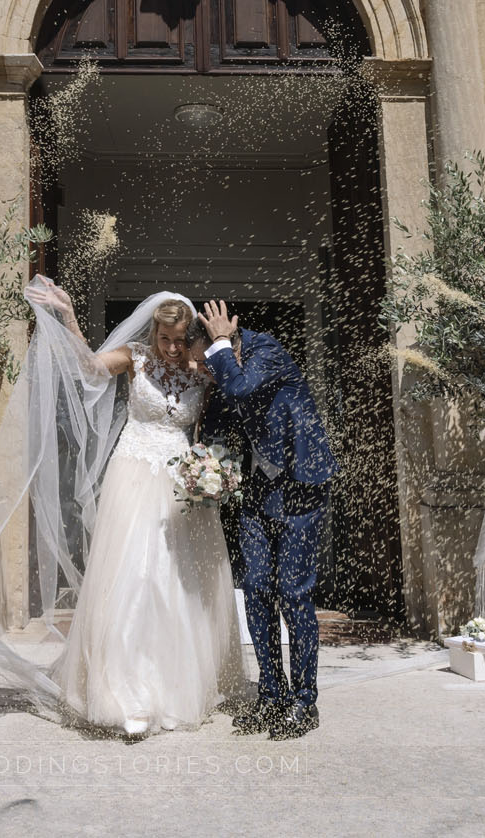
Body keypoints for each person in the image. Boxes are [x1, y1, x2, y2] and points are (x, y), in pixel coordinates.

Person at [24, 287, 240, 737]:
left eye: (181, 339)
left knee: (178, 584)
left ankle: (176, 689)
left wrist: (225, 345)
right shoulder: (136, 357)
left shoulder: (201, 370)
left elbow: (240, 387)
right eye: (166, 338)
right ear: (154, 331)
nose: (173, 348)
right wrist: (69, 316)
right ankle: (127, 695)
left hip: (182, 484)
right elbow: (89, 369)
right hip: (133, 476)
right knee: (133, 579)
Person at [198, 298, 335, 741]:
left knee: (294, 592)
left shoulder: (266, 350)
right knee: (256, 589)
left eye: (216, 358)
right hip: (259, 486)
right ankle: (272, 697)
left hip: (300, 484)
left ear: (231, 339)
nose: (213, 371)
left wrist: (218, 345)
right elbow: (219, 418)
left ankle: (303, 701)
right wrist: (206, 467)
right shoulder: (223, 366)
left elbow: (240, 388)